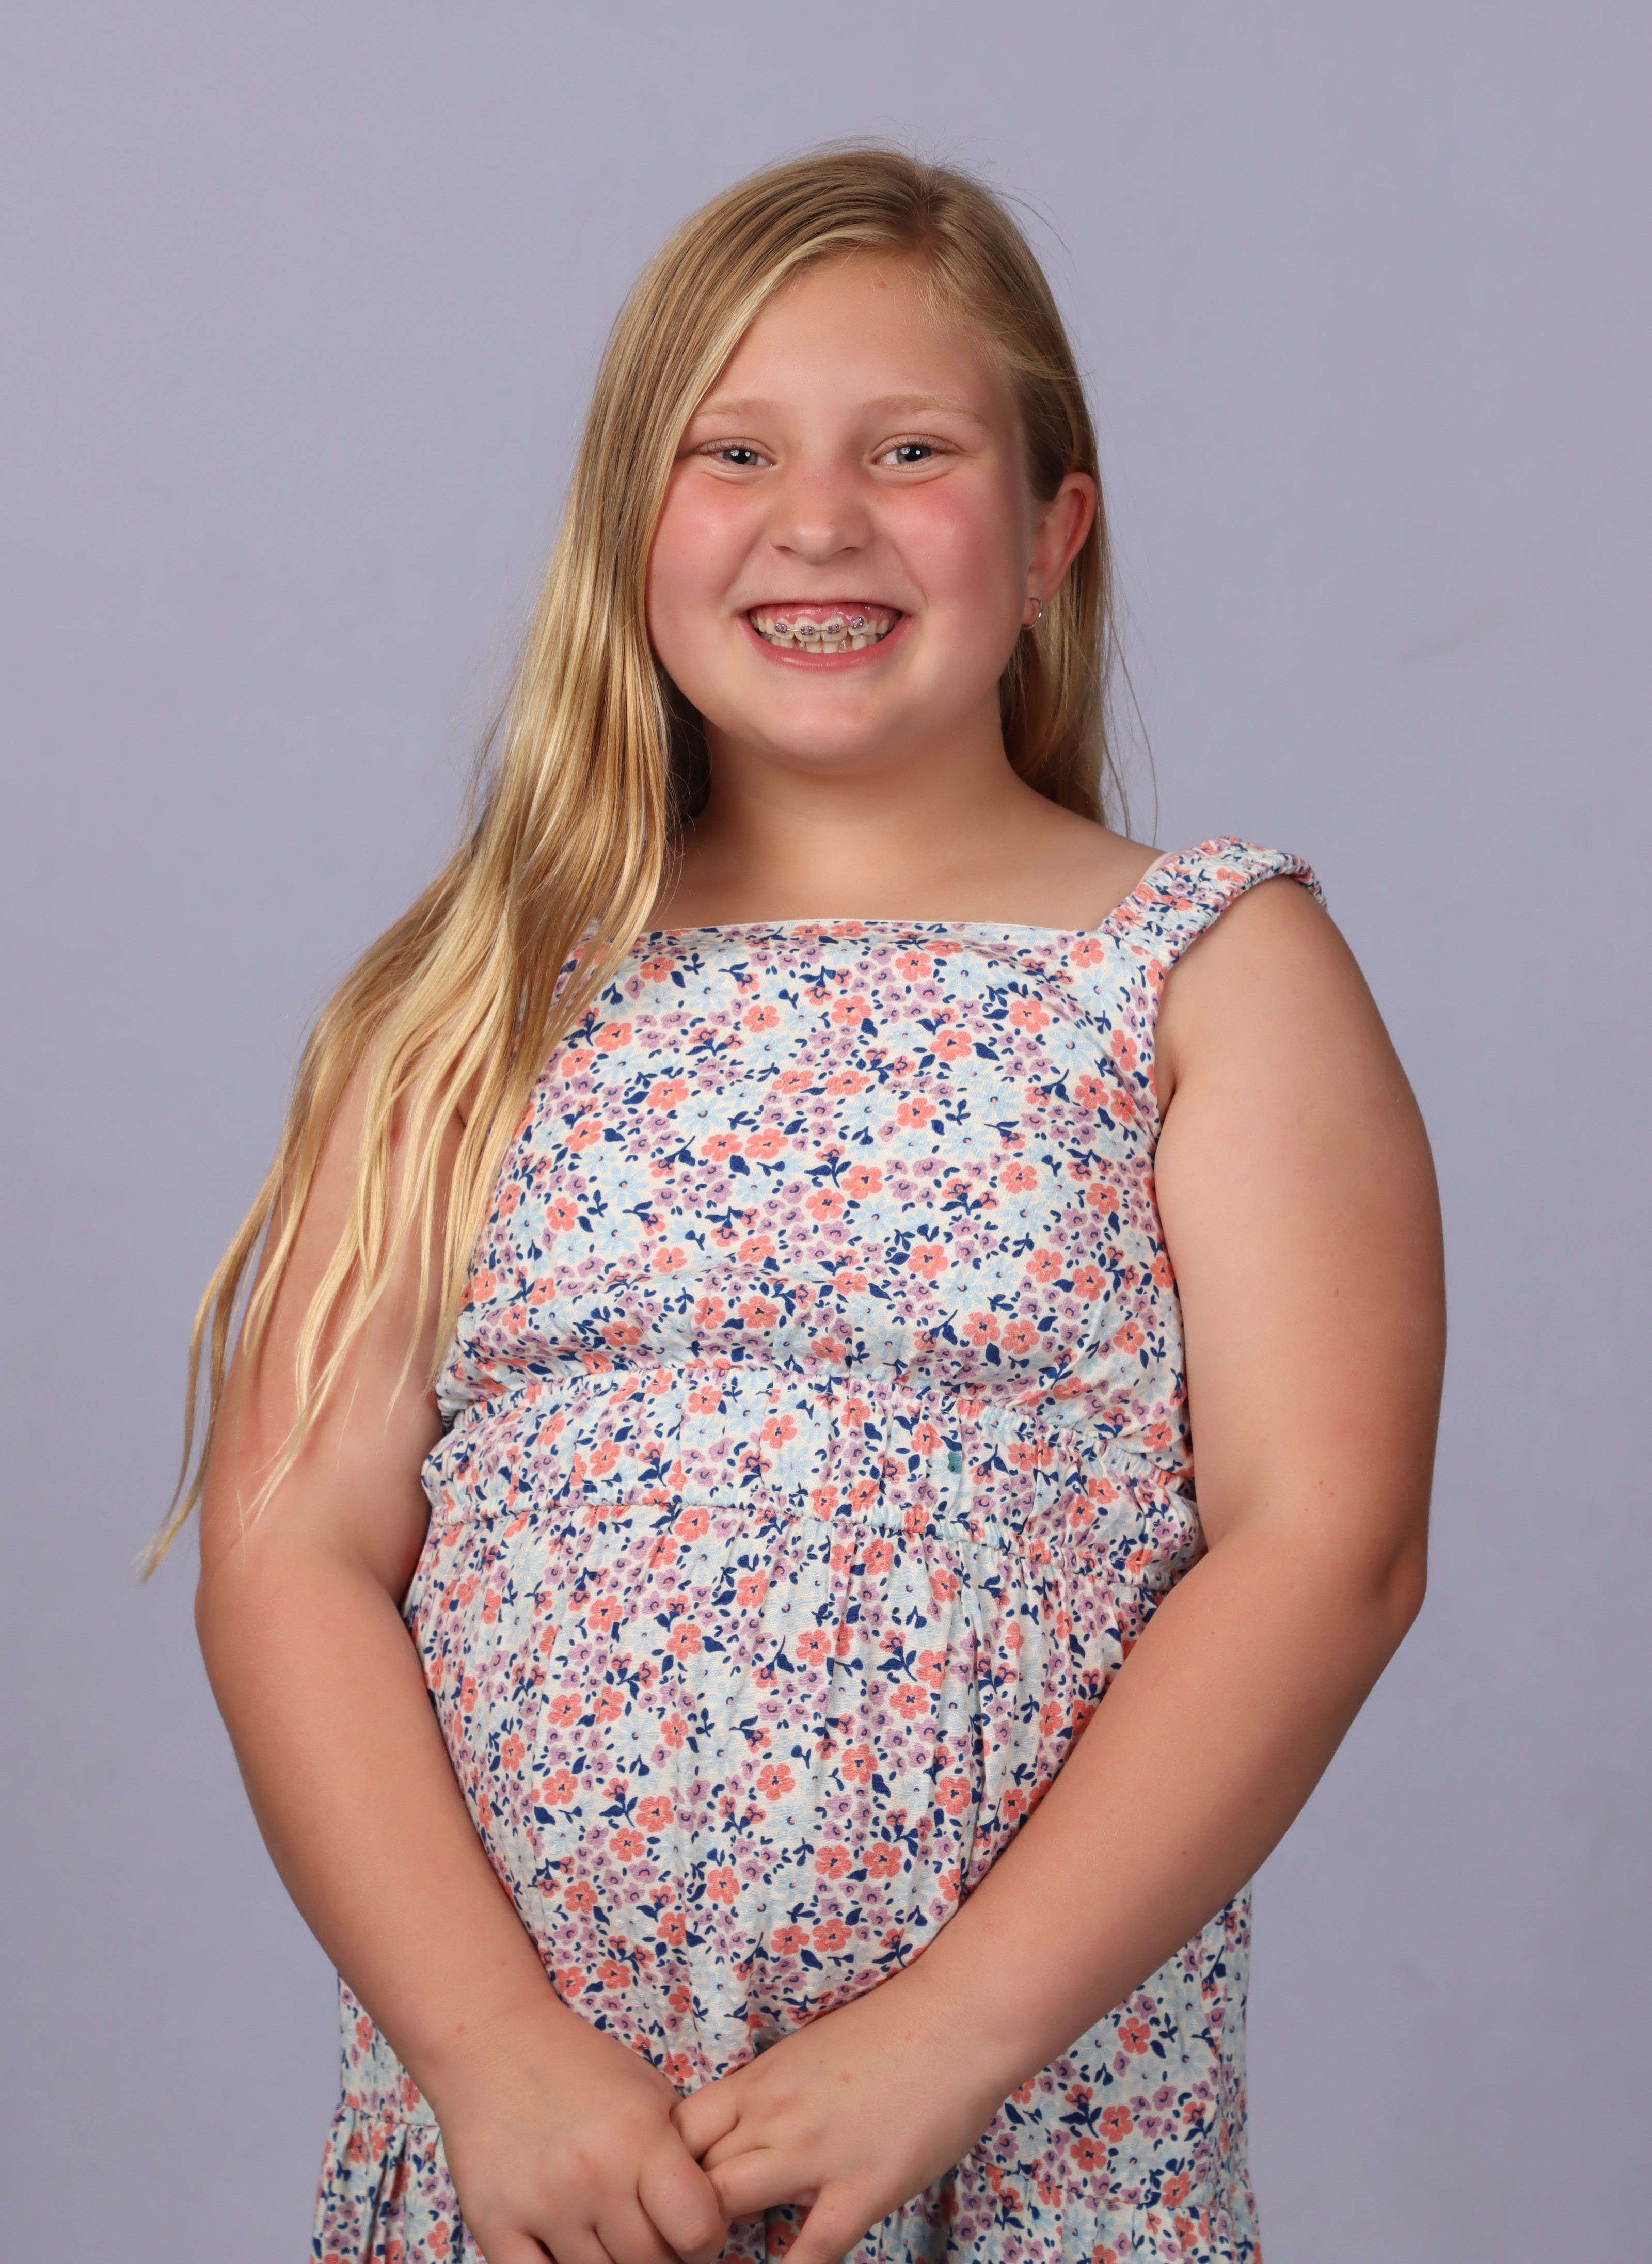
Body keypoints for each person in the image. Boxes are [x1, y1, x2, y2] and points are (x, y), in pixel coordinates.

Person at [164, 148, 1444, 2264]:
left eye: (910, 451)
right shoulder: (477, 997)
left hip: (1022, 2143)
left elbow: (1329, 1546)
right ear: (629, 526)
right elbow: (289, 1549)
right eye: (732, 450)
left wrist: (954, 2032)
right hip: (540, 2164)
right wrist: (487, 2047)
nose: (820, 519)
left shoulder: (1199, 973)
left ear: (1053, 532)